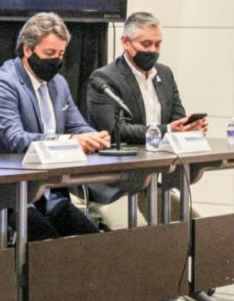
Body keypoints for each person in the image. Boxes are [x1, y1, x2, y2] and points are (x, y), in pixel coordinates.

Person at [0, 12, 111, 241]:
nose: (56, 60)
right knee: (49, 247)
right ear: (28, 50)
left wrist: (95, 137)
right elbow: (16, 139)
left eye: (61, 54)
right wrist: (69, 141)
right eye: (49, 53)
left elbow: (77, 126)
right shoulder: (3, 84)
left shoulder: (59, 84)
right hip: (5, 192)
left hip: (47, 190)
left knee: (93, 243)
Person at [83, 11, 207, 229]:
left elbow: (177, 119)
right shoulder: (104, 79)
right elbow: (116, 131)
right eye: (146, 44)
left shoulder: (165, 74)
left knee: (199, 230)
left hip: (149, 182)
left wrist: (189, 129)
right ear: (125, 42)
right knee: (141, 238)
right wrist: (169, 130)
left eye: (158, 44)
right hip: (112, 185)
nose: (153, 50)